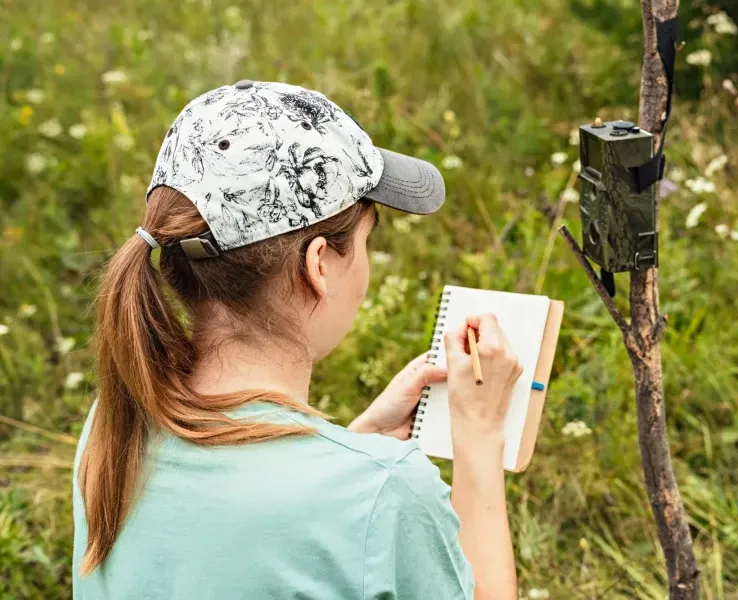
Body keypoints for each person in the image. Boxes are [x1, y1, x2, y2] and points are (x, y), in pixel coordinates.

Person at [72, 80, 523, 600]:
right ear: (319, 266)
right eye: (364, 241)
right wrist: (480, 436)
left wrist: (358, 445)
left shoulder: (115, 426)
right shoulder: (386, 494)